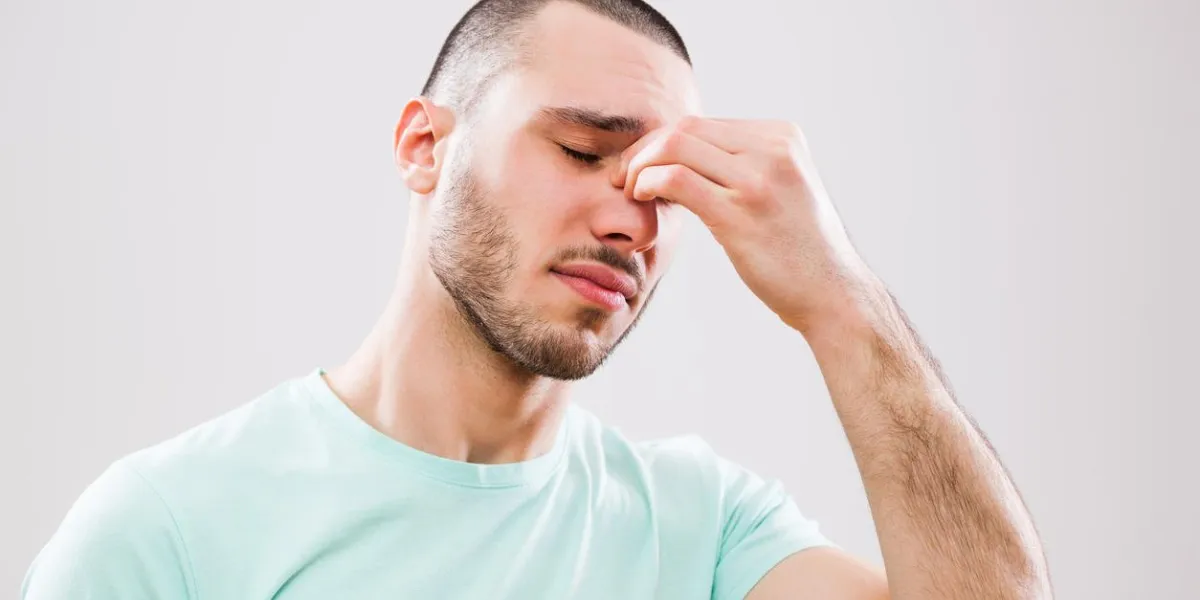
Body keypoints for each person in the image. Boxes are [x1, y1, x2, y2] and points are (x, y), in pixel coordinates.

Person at [23, 1, 1053, 598]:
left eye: (662, 187)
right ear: (426, 148)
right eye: (582, 151)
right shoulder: (169, 530)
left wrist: (841, 299)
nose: (632, 221)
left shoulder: (703, 532)